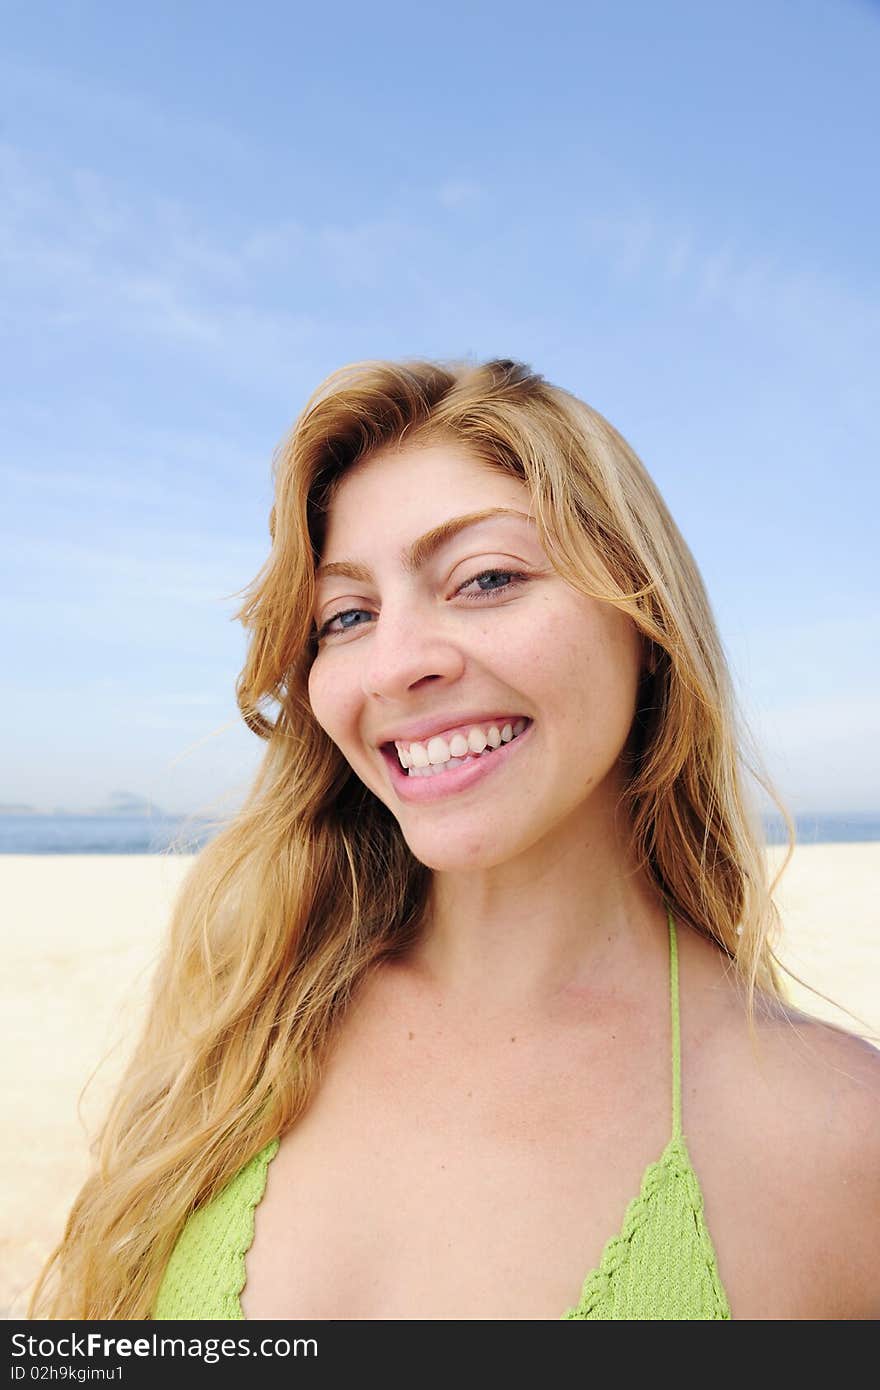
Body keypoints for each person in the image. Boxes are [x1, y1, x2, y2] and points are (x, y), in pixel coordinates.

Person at [31, 357, 879, 1321]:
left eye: (485, 579)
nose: (396, 664)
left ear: (643, 623)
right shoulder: (240, 1023)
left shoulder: (839, 1136)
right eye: (346, 616)